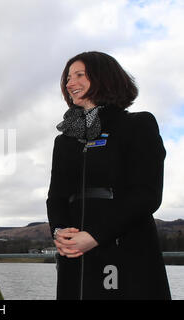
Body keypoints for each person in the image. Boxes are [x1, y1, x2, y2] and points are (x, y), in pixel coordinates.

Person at [46, 51, 171, 300]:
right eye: (68, 78)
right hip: (75, 256)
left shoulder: (138, 125)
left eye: (80, 75)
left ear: (104, 77)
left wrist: (94, 236)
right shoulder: (64, 141)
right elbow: (56, 196)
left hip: (125, 252)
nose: (70, 83)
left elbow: (147, 194)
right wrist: (60, 232)